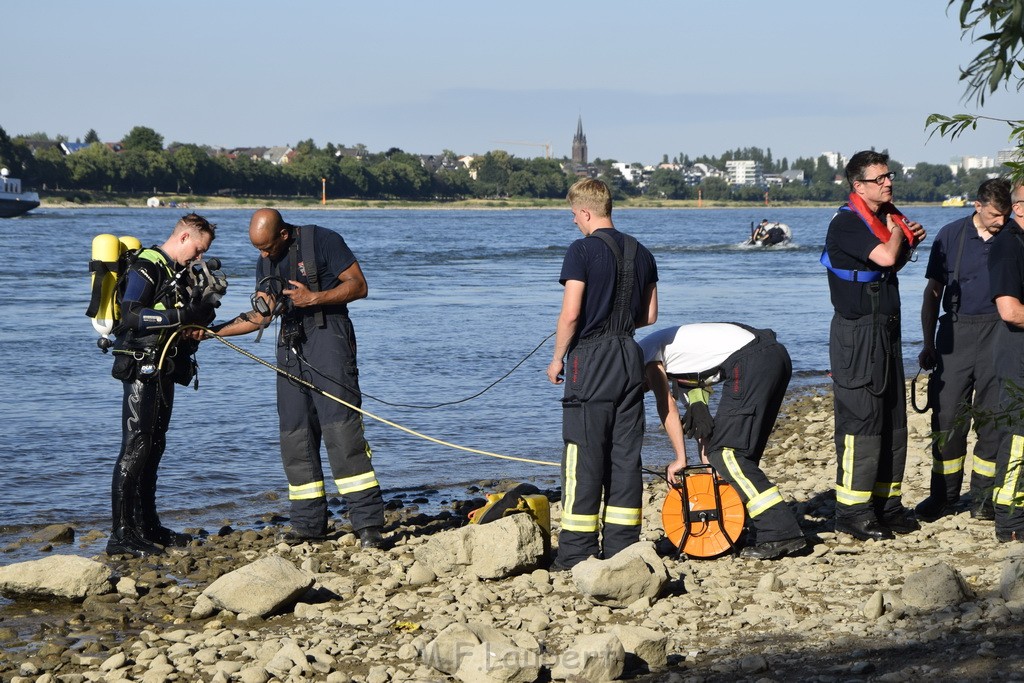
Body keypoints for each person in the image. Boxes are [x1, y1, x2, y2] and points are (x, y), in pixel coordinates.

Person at [212, 209, 385, 548]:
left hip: (329, 338)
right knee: (295, 434)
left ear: (284, 234)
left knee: (342, 432)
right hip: (290, 345)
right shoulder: (265, 259)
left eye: (266, 248)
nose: (262, 256)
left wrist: (314, 297)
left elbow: (359, 286)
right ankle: (308, 525)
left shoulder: (324, 240)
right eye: (257, 249)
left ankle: (368, 525)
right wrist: (212, 332)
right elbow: (260, 317)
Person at [547, 178, 659, 569]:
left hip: (590, 359)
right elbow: (650, 316)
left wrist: (558, 356)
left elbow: (571, 312)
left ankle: (576, 552)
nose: (575, 224)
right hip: (629, 354)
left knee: (583, 452)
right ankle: (623, 547)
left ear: (584, 211)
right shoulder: (641, 251)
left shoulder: (581, 250)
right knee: (625, 455)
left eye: (574, 217)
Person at [822, 150, 927, 541]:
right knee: (862, 421)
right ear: (858, 185)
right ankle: (852, 512)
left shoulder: (884, 217)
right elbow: (885, 254)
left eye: (889, 176)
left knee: (893, 419)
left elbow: (888, 265)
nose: (889, 182)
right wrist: (901, 232)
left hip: (886, 330)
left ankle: (888, 506)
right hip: (856, 334)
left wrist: (907, 239)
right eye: (880, 178)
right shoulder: (847, 224)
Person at [639, 323, 807, 560]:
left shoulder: (644, 358)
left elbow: (666, 407)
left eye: (641, 387)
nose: (645, 388)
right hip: (774, 356)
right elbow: (702, 430)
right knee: (739, 456)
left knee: (728, 454)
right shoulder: (684, 367)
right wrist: (712, 470)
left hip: (751, 359)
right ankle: (750, 526)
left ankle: (780, 530)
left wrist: (680, 459)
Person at [107, 213, 218, 557]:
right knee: (137, 445)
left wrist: (198, 319)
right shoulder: (147, 265)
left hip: (164, 368)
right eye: (198, 249)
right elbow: (130, 315)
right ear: (184, 237)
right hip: (141, 367)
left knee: (155, 446)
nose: (198, 258)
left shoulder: (176, 272)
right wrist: (181, 317)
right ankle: (121, 535)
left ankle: (148, 525)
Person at [915, 179, 1011, 522]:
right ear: (978, 205)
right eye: (996, 214)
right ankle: (943, 496)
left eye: (1006, 214)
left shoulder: (1013, 237)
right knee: (947, 418)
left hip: (998, 332)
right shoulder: (950, 235)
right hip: (955, 334)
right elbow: (932, 294)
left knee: (992, 419)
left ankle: (984, 499)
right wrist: (928, 342)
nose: (1001, 221)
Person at [988, 182, 1024, 542]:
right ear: (1020, 208)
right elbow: (1010, 311)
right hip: (1016, 349)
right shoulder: (1007, 246)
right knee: (1019, 433)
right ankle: (1010, 520)